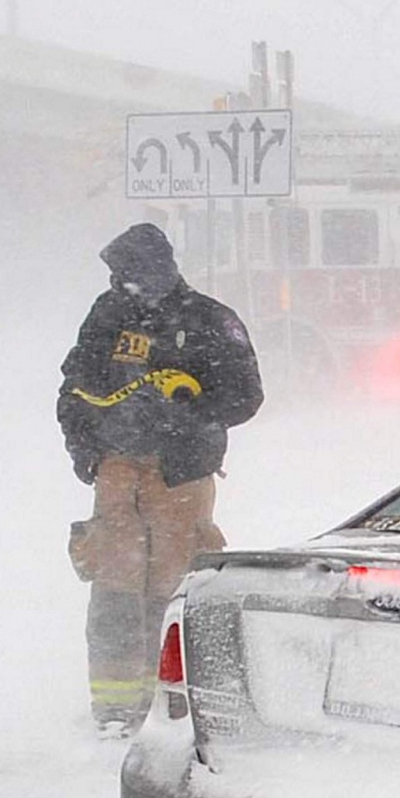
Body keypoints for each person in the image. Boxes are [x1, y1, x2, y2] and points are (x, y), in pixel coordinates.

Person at [59, 221, 263, 729]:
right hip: (116, 475)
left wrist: (185, 415)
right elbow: (74, 388)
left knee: (176, 588)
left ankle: (177, 703)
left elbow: (245, 397)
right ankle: (114, 707)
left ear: (156, 269)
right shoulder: (108, 315)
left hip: (180, 479)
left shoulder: (209, 320)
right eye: (115, 274)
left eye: (127, 273)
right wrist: (88, 453)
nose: (119, 283)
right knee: (114, 590)